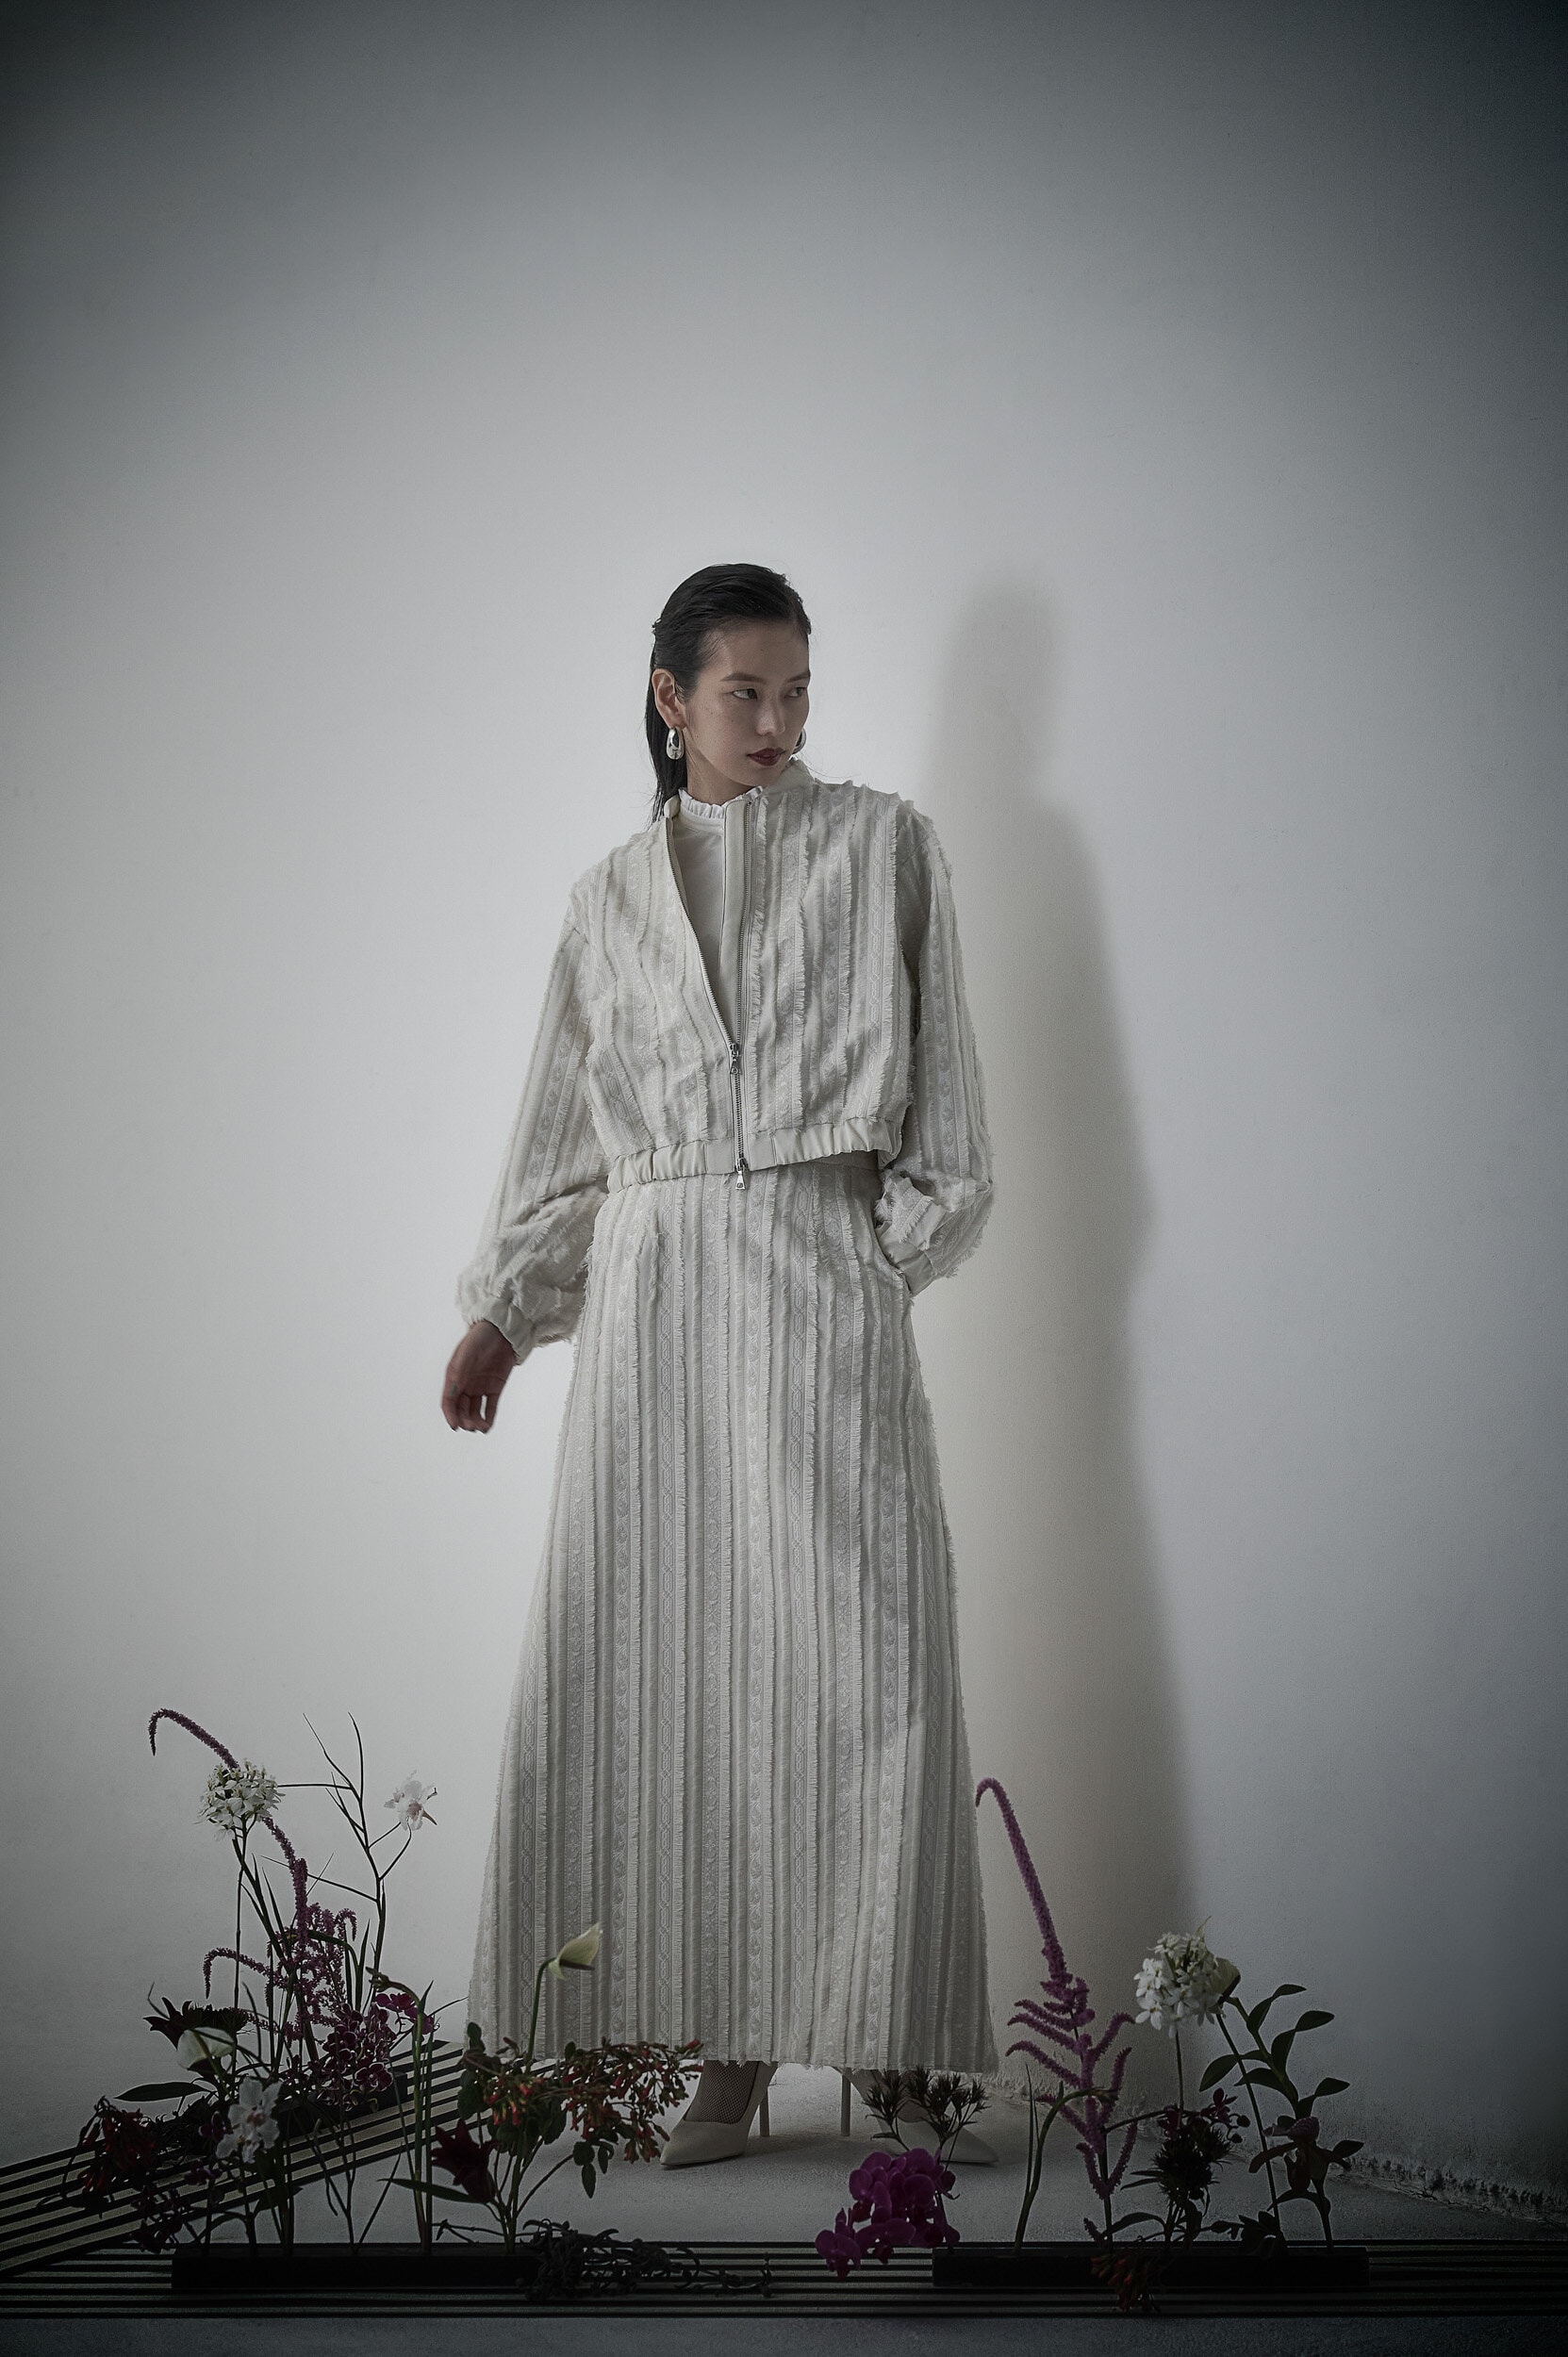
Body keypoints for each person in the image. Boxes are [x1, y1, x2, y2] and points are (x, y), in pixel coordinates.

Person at [442, 563, 999, 2168]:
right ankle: (729, 2051)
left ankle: (889, 2045)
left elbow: (949, 1114)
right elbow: (563, 1136)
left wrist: (871, 1262)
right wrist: (505, 1311)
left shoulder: (884, 847)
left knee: (868, 1674)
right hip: (657, 1317)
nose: (777, 720)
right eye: (745, 690)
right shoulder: (608, 900)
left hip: (823, 1294)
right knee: (682, 1682)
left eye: (798, 689)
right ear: (671, 698)